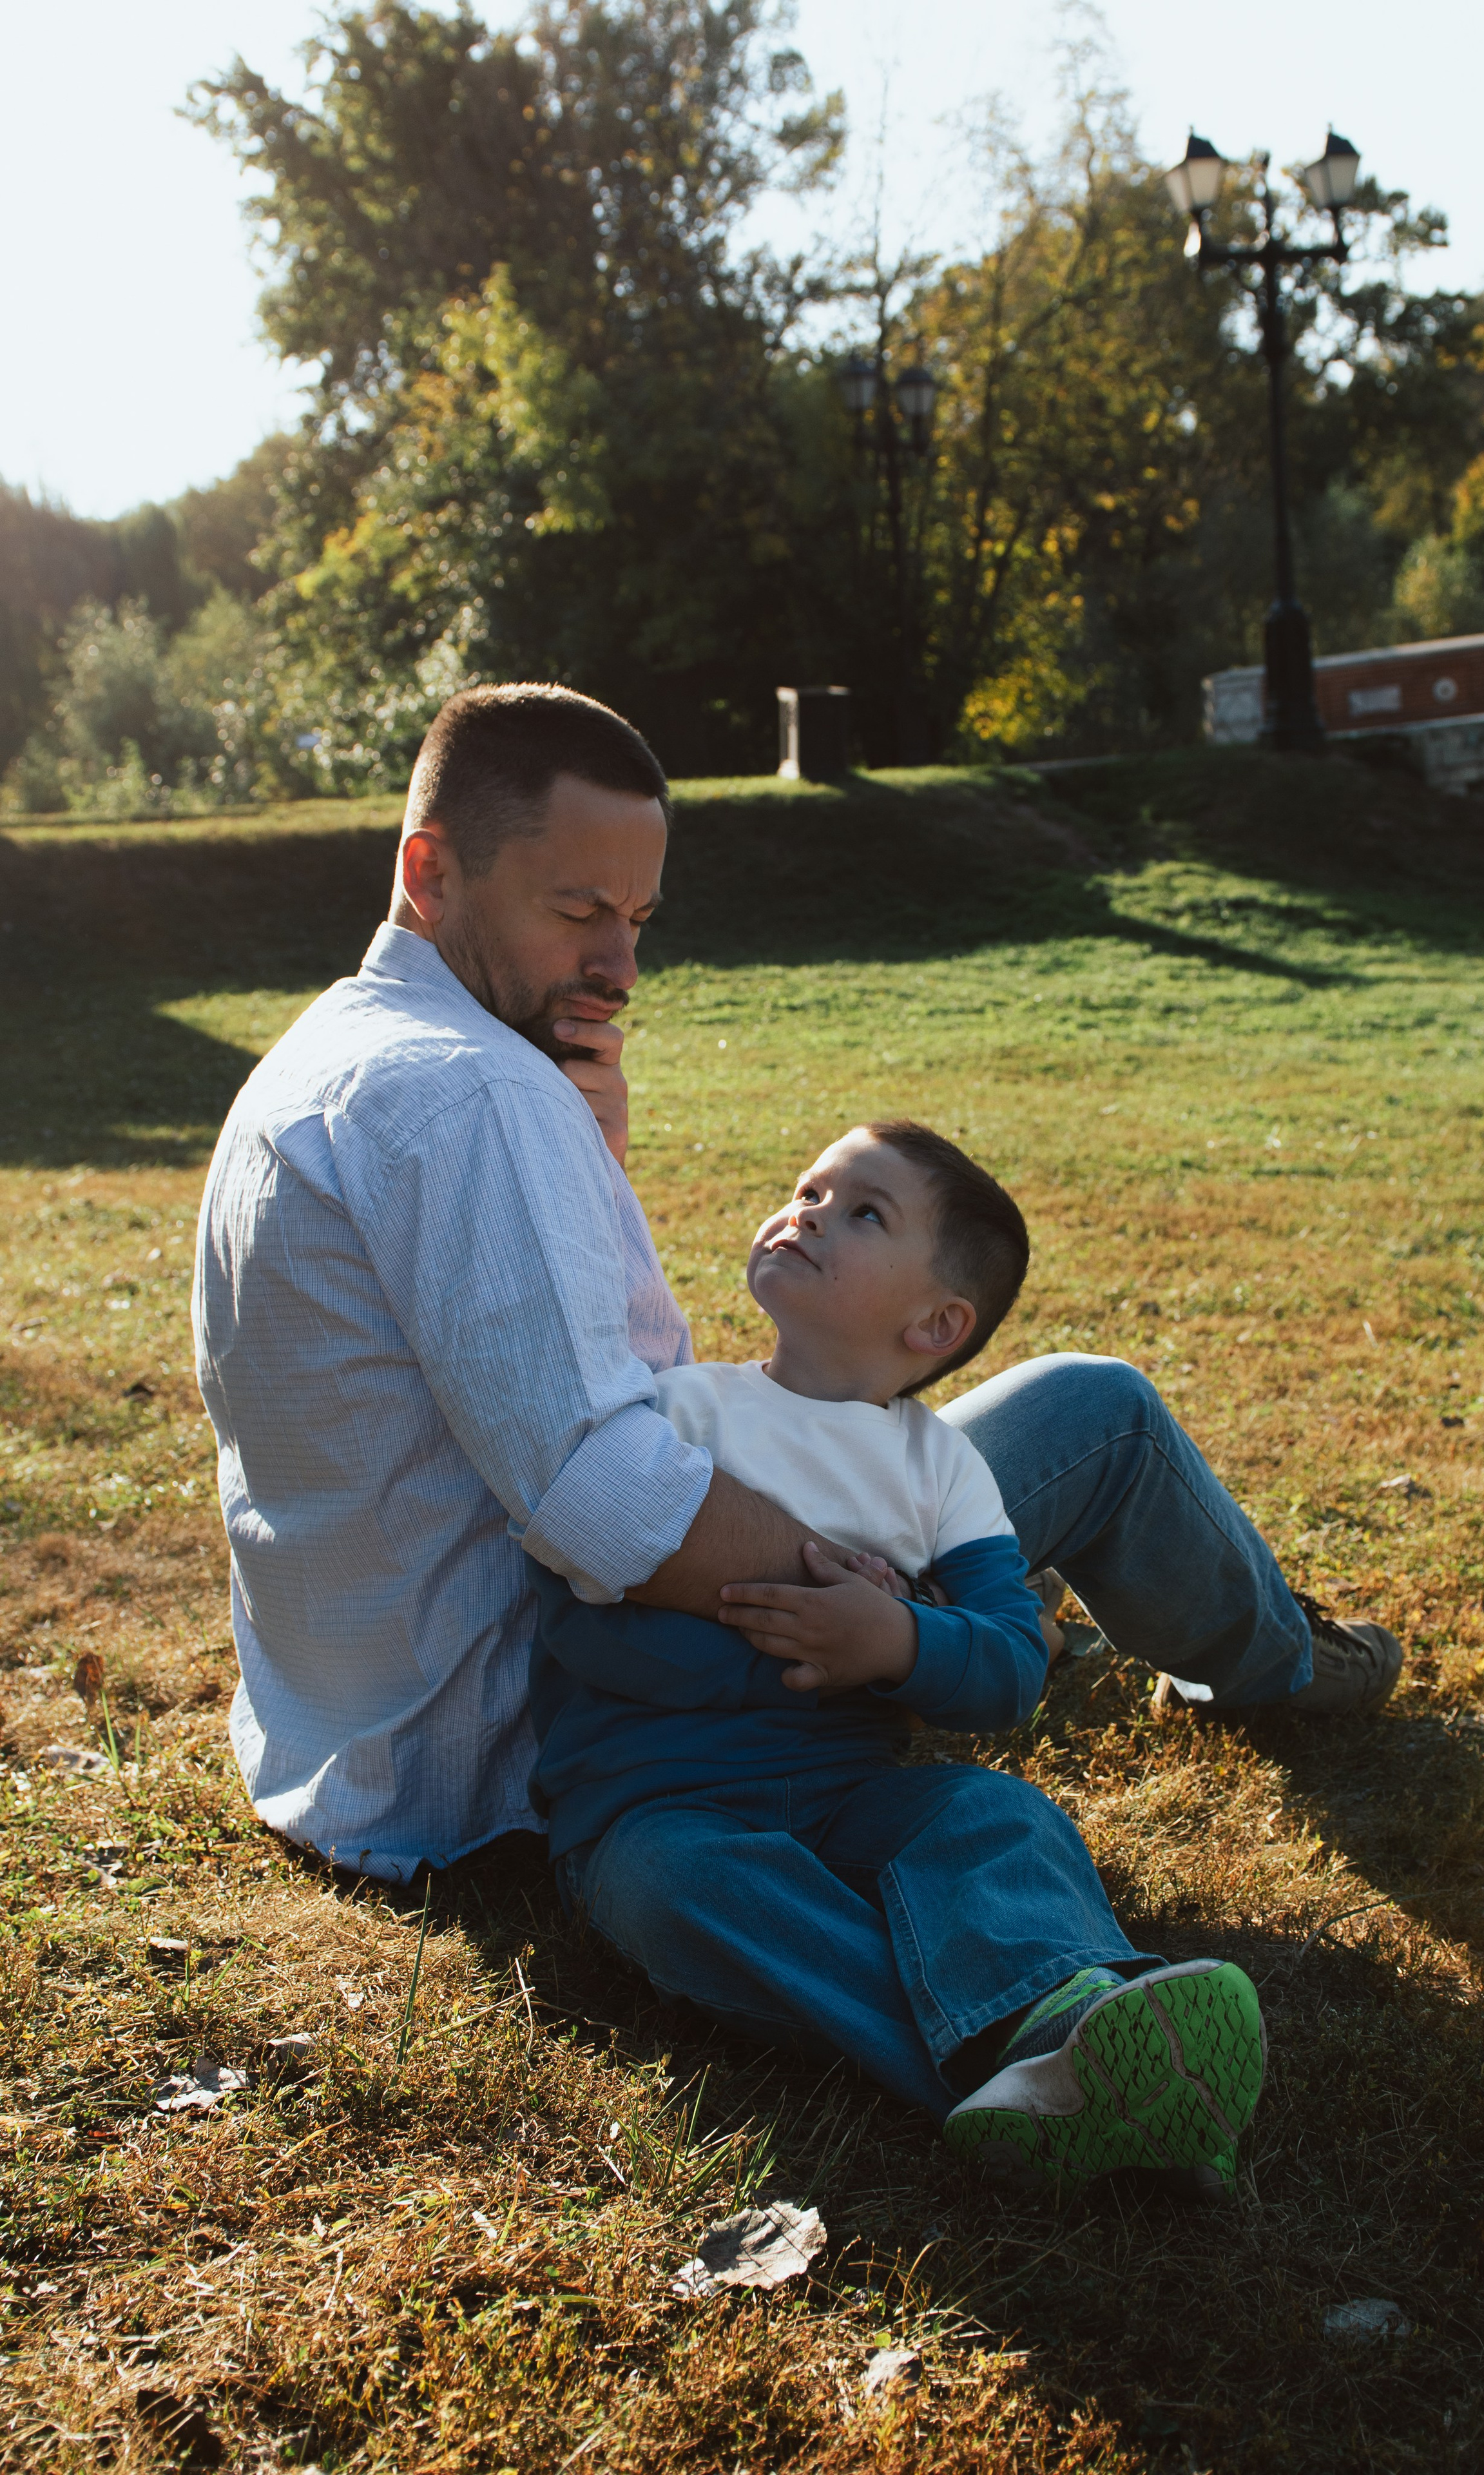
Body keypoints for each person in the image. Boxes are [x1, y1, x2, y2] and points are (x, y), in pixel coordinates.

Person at [193, 682, 1403, 1899]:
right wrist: (873, 1590)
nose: (619, 967)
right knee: (1100, 1415)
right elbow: (607, 1498)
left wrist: (590, 1166)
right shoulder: (475, 1094)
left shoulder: (321, 1061)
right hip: (564, 1726)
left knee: (926, 1469)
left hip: (356, 1754)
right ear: (432, 871)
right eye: (578, 912)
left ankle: (1039, 1610)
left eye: (638, 918)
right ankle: (1285, 1667)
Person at [528, 1117, 1268, 2195]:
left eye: (862, 1211)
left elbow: (1012, 1658)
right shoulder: (681, 1412)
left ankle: (1065, 2012)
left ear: (937, 1325)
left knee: (994, 1814)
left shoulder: (940, 1470)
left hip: (852, 1794)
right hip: (662, 1802)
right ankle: (1030, 2061)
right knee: (679, 1890)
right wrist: (781, 1646)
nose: (808, 1213)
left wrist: (900, 1639)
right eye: (807, 1190)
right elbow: (578, 1614)